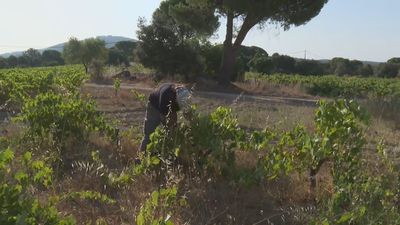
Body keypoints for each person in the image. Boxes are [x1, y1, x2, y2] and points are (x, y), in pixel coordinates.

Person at [139, 83, 192, 152]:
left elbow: (188, 114)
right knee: (149, 135)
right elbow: (164, 118)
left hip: (169, 107)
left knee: (174, 132)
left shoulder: (184, 95)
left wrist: (192, 125)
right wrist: (170, 129)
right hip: (154, 105)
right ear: (176, 100)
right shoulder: (166, 97)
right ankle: (140, 157)